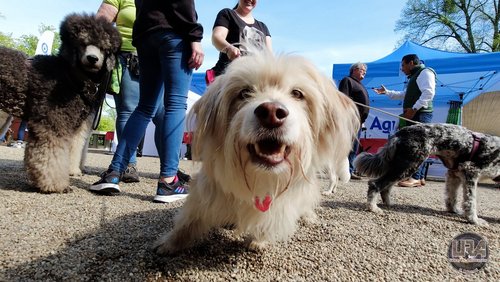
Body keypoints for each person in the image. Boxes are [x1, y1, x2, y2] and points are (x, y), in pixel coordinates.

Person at [90, 0, 204, 203]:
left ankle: (114, 172)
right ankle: (169, 181)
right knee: (176, 104)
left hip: (145, 36)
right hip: (174, 35)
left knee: (144, 107)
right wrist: (195, 37)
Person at [373, 54, 436, 187]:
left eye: (403, 65)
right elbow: (405, 94)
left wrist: (414, 109)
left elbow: (429, 93)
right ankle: (417, 177)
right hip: (414, 113)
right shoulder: (415, 76)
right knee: (414, 145)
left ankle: (416, 177)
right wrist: (387, 92)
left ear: (411, 63)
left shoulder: (425, 72)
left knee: (418, 146)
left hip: (420, 114)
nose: (402, 69)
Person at [209, 0, 272, 78]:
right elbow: (217, 37)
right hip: (226, 77)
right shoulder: (227, 14)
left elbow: (270, 56)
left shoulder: (263, 27)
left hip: (254, 79)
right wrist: (229, 49)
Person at [338, 62, 369, 180]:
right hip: (350, 120)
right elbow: (343, 99)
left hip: (358, 121)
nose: (364, 72)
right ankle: (342, 172)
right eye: (362, 69)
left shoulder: (360, 84)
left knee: (354, 147)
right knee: (347, 146)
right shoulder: (347, 80)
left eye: (365, 70)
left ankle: (349, 170)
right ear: (354, 70)